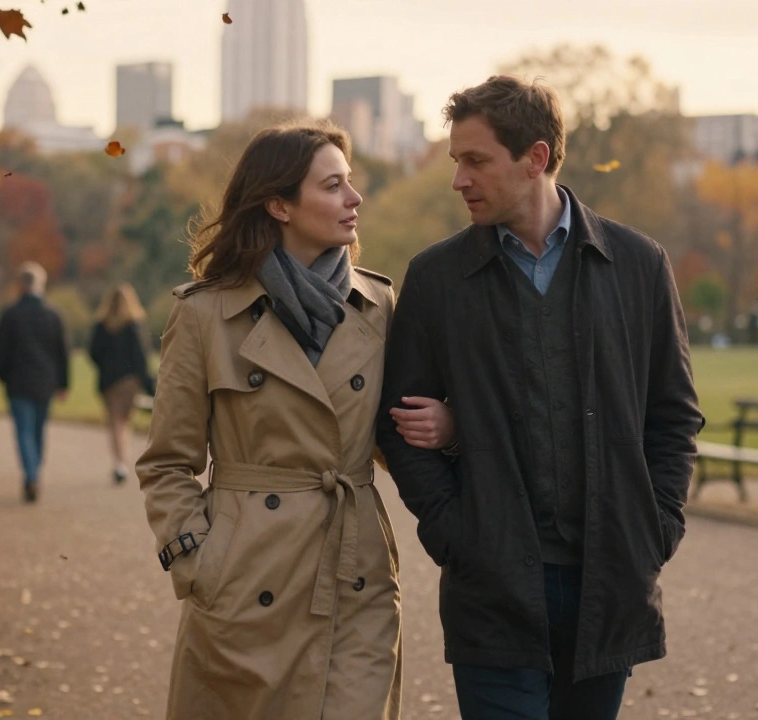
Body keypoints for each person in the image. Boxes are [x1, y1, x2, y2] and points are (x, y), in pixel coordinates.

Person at [375, 75, 705, 720]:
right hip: (491, 582)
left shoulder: (639, 265)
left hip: (609, 578)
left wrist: (655, 528)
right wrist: (454, 533)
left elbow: (674, 415)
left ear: (536, 158)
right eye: (455, 162)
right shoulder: (437, 278)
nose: (458, 179)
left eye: (476, 160)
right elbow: (397, 423)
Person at [135, 119, 456, 720]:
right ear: (279, 204)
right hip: (244, 579)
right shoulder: (205, 316)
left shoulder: (378, 304)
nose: (354, 198)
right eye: (333, 186)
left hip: (353, 572)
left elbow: (394, 431)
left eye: (350, 183)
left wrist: (450, 427)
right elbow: (167, 463)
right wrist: (196, 562)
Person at [0, 262, 70, 503]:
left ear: (20, 285)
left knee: (23, 431)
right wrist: (63, 383)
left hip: (18, 382)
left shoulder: (10, 314)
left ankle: (31, 474)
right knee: (37, 431)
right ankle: (35, 472)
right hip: (45, 382)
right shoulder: (53, 314)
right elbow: (62, 352)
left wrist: (4, 376)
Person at [89, 282, 153, 486]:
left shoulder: (102, 325)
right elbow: (141, 355)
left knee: (115, 421)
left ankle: (119, 462)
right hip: (130, 381)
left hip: (109, 381)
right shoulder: (134, 324)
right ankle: (124, 459)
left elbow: (94, 353)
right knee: (126, 420)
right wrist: (147, 381)